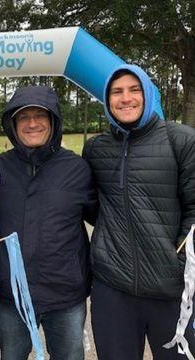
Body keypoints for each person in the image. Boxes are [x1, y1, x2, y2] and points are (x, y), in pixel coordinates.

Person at [82, 64, 195, 359]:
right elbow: (94, 206)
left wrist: (177, 260)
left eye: (134, 90)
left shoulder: (180, 140)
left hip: (171, 289)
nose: (126, 98)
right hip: (113, 289)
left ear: (147, 94)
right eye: (117, 92)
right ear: (107, 101)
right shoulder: (95, 149)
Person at [0, 85, 97, 360]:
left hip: (65, 295)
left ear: (53, 121)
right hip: (13, 296)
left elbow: (102, 218)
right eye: (24, 117)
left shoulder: (77, 169)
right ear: (12, 124)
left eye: (40, 115)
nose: (32, 123)